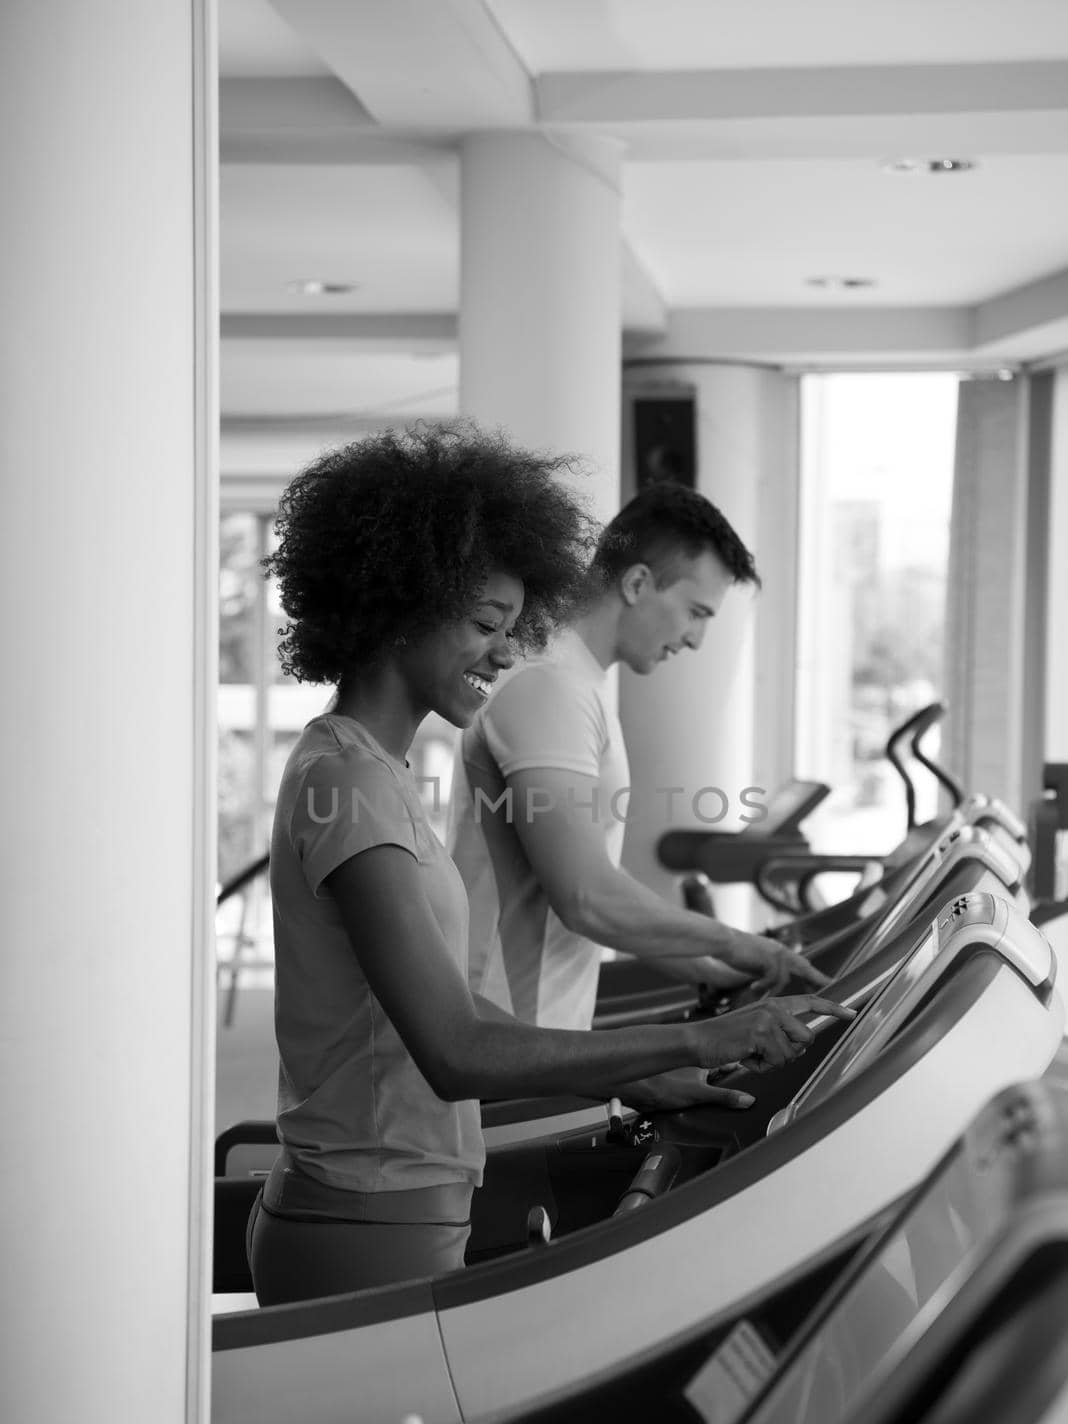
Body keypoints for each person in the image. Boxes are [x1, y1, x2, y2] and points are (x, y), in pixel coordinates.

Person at [248, 422, 853, 1306]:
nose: (504, 650)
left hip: (403, 1199)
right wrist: (699, 1035)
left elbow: (440, 998)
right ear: (400, 604)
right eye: (486, 623)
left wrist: (643, 1073)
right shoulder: (348, 781)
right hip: (366, 1215)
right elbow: (456, 1047)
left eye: (511, 625)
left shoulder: (377, 772)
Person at [447, 478, 827, 1031]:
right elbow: (585, 896)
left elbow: (597, 902)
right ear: (638, 582)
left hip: (532, 1037)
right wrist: (739, 944)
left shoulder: (576, 683)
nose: (696, 638)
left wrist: (715, 969)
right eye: (696, 611)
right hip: (500, 1043)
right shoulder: (549, 687)